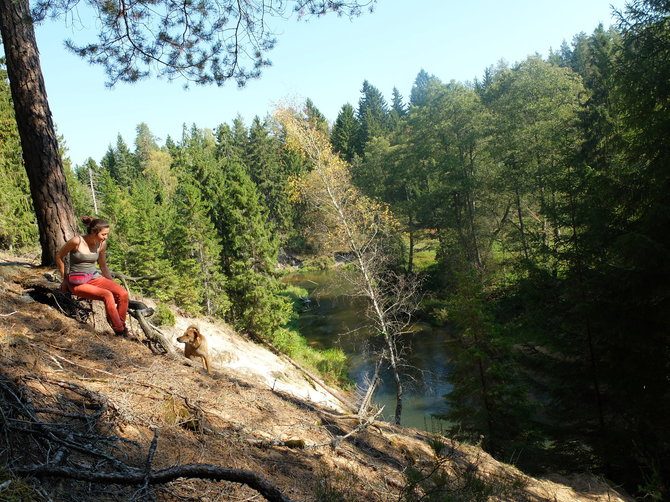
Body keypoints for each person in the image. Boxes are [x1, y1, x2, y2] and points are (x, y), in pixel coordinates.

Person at [56, 216, 129, 336]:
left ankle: (120, 325)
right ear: (94, 232)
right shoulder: (76, 241)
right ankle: (121, 332)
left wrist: (112, 284)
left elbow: (103, 266)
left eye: (107, 234)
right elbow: (59, 256)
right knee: (107, 295)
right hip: (78, 282)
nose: (106, 237)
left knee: (123, 293)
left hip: (94, 277)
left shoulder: (101, 244)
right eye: (104, 234)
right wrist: (64, 279)